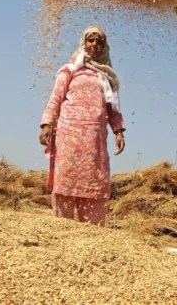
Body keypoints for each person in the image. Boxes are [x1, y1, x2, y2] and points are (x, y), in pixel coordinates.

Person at [39, 25, 126, 226]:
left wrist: (119, 132)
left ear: (105, 47)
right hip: (68, 135)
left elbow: (114, 109)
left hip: (94, 138)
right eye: (91, 40)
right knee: (66, 179)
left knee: (94, 181)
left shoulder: (107, 77)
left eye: (99, 41)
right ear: (83, 43)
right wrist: (47, 124)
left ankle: (92, 232)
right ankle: (62, 228)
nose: (94, 45)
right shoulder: (70, 70)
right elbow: (56, 98)